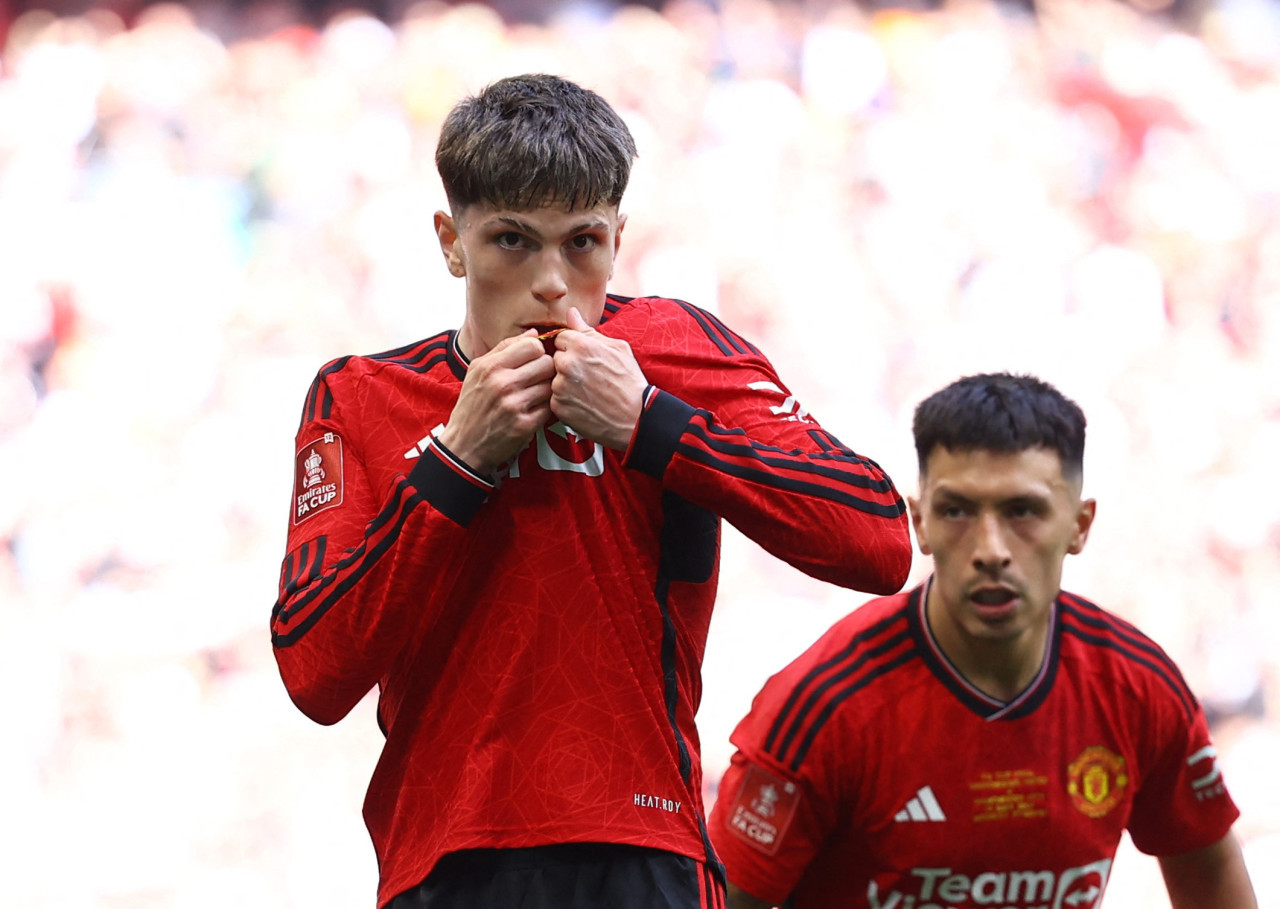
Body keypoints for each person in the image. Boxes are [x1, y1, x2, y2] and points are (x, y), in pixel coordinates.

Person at [269, 73, 913, 909]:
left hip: (648, 847)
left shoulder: (673, 349)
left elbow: (878, 538)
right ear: (449, 240)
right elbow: (315, 674)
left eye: (582, 242)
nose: (552, 281)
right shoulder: (360, 396)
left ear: (619, 236)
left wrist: (651, 422)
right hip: (444, 861)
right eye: (512, 240)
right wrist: (458, 459)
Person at [708, 372, 1257, 909]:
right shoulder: (823, 707)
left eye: (1023, 511)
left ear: (1080, 525)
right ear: (919, 522)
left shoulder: (1137, 687)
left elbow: (1211, 873)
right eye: (957, 511)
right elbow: (721, 898)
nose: (990, 548)